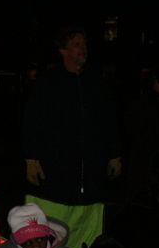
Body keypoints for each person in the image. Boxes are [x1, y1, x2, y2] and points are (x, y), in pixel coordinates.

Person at [23, 27, 121, 206]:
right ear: (63, 50)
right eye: (76, 44)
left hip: (92, 170)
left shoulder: (97, 83)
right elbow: (33, 122)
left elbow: (109, 121)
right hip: (57, 170)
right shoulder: (48, 83)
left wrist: (114, 155)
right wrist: (31, 159)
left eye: (84, 44)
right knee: (58, 222)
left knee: (89, 222)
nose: (83, 48)